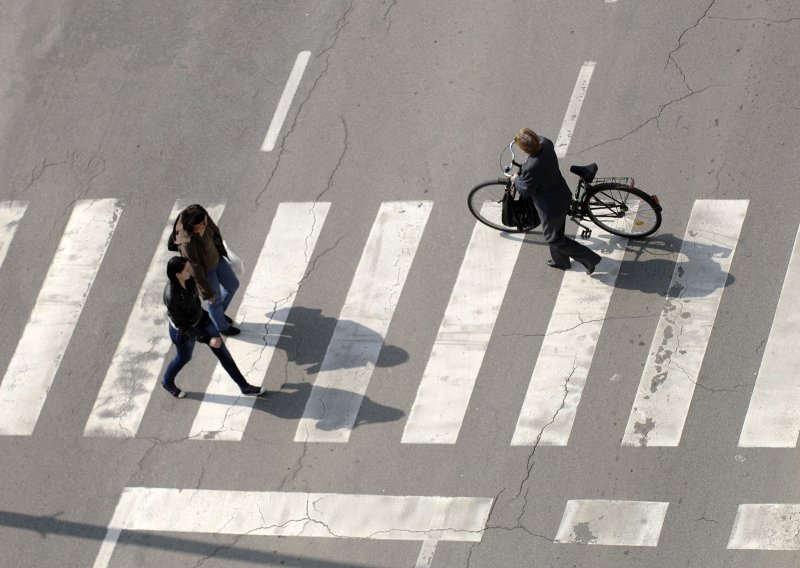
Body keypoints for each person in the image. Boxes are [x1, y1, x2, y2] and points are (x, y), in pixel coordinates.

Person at [162, 255, 265, 398]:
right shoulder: (172, 298)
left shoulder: (187, 278)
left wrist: (207, 293)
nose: (190, 269)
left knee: (222, 351)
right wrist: (207, 340)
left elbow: (199, 284)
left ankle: (244, 387)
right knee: (184, 358)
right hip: (183, 332)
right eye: (187, 269)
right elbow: (184, 327)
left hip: (201, 318)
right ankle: (167, 382)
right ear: (178, 274)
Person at [510, 128, 601, 274]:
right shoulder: (546, 144)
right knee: (557, 232)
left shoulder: (531, 167)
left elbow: (525, 191)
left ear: (526, 150)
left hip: (551, 209)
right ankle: (561, 261)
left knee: (553, 239)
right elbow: (538, 138)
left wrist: (516, 179)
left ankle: (590, 259)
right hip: (562, 195)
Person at [174, 204, 241, 336]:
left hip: (217, 259)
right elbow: (195, 268)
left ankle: (218, 315)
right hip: (205, 271)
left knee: (233, 285)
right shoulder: (187, 243)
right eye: (201, 224)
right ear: (191, 226)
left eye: (205, 220)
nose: (206, 224)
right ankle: (222, 326)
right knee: (213, 300)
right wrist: (206, 292)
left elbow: (214, 233)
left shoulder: (201, 216)